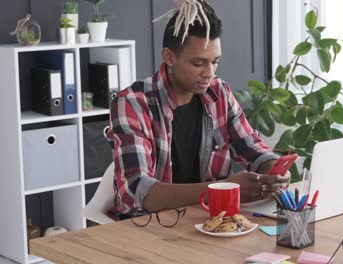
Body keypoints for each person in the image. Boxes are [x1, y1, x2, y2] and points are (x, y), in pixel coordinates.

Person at [107, 0, 290, 219]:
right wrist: (224, 189)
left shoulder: (219, 93)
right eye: (199, 63)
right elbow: (139, 191)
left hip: (208, 221)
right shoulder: (131, 103)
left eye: (215, 62)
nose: (209, 73)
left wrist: (273, 170)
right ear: (169, 57)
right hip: (147, 227)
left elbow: (252, 148)